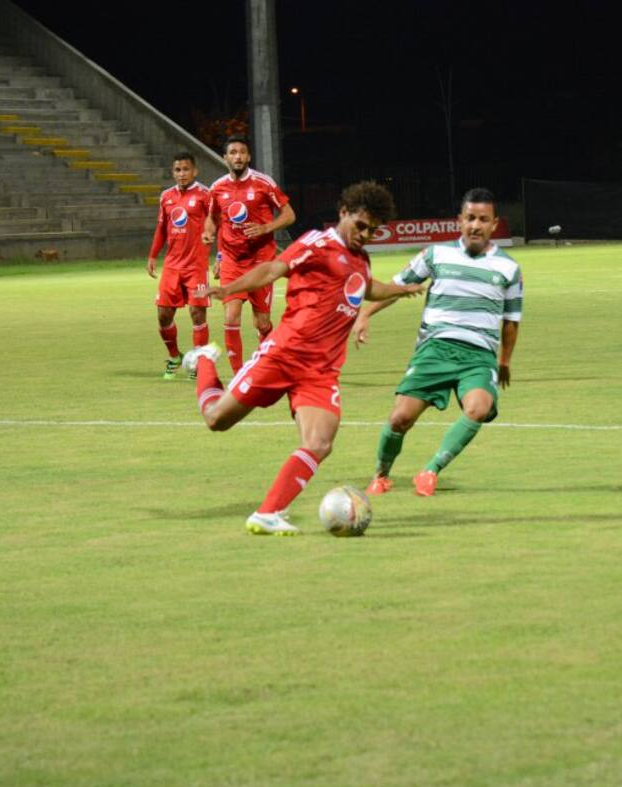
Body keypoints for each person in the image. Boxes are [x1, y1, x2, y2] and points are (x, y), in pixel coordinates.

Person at [183, 182, 424, 535]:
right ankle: (205, 359)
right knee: (216, 419)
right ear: (343, 213)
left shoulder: (361, 259)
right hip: (283, 354)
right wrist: (230, 288)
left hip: (320, 371)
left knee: (320, 442)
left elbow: (366, 286)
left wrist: (399, 289)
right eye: (361, 225)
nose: (366, 234)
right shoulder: (317, 243)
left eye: (373, 230)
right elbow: (272, 269)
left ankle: (268, 513)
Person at [355, 188, 522, 498]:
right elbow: (398, 286)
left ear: (494, 224)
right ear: (459, 220)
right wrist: (366, 313)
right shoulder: (436, 255)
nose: (475, 225)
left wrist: (504, 361)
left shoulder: (509, 268)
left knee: (479, 408)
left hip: (478, 356)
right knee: (400, 418)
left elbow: (511, 320)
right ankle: (381, 475)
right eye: (470, 218)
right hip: (434, 349)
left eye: (483, 220)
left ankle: (430, 470)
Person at [203, 135, 296, 376]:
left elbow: (289, 215)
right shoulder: (217, 188)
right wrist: (209, 235)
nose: (238, 156)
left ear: (249, 156)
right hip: (232, 261)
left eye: (242, 152)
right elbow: (213, 220)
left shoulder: (263, 183)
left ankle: (266, 358)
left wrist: (265, 228)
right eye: (232, 152)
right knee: (231, 316)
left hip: (261, 261)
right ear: (225, 158)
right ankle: (239, 375)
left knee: (262, 323)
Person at [147, 152, 211, 379]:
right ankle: (174, 356)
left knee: (197, 314)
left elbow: (218, 226)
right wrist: (153, 255)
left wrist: (221, 257)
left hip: (196, 265)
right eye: (177, 170)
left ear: (195, 171)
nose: (181, 174)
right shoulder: (166, 197)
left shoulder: (205, 195)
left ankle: (197, 364)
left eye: (185, 169)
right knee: (163, 315)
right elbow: (161, 229)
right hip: (172, 266)